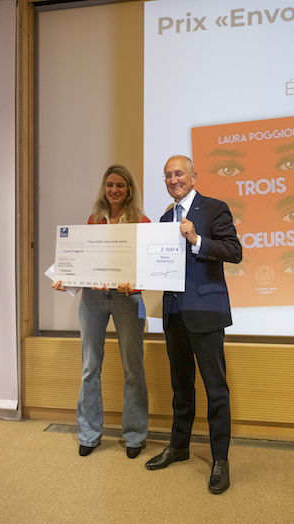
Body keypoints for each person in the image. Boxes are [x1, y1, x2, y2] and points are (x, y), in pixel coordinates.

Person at [145, 155, 242, 494]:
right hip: (173, 313)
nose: (173, 179)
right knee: (181, 387)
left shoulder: (214, 208)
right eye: (168, 175)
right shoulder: (162, 218)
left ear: (193, 176)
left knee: (216, 389)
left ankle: (220, 459)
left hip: (207, 312)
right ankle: (180, 445)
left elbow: (234, 250)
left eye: (179, 174)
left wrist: (197, 240)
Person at [52, 164, 149, 458]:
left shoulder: (141, 222)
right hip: (93, 299)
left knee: (133, 368)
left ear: (129, 189)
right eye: (109, 184)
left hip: (127, 299)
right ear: (104, 189)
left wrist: (135, 281)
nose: (114, 190)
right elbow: (83, 262)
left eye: (120, 185)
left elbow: (148, 266)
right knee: (90, 367)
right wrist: (65, 280)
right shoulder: (94, 221)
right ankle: (90, 433)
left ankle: (134, 436)